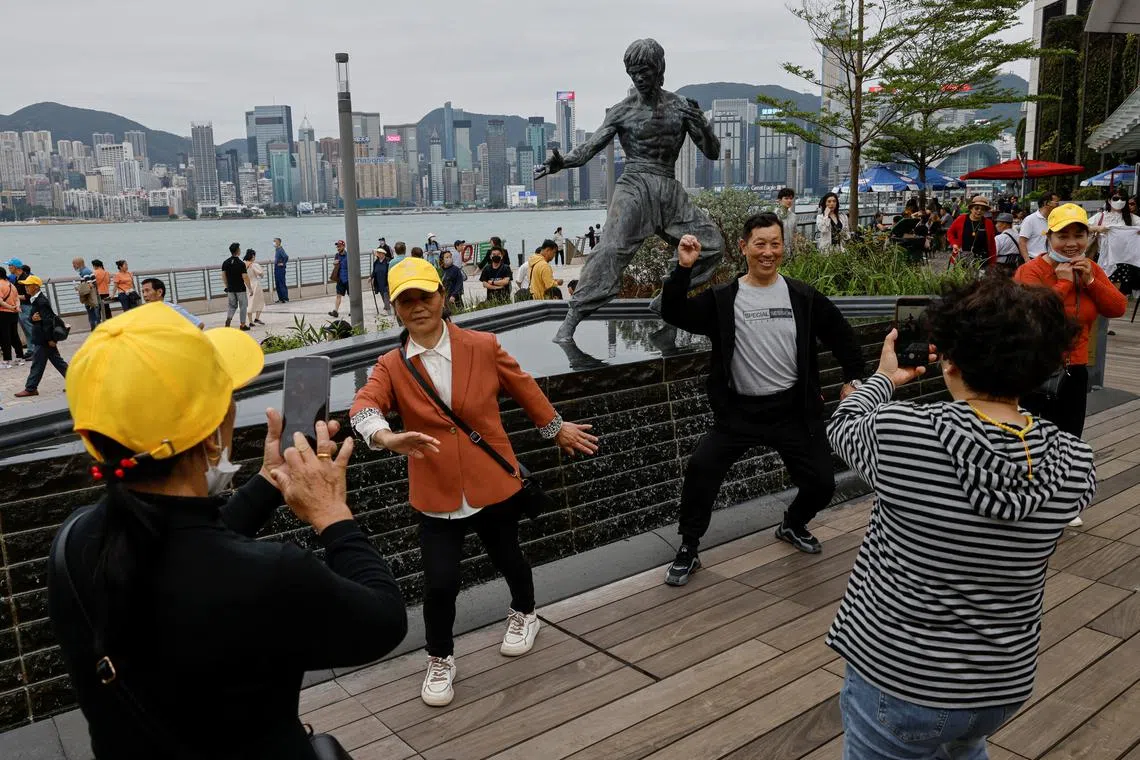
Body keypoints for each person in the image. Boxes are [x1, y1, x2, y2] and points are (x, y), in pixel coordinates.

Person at [46, 303, 408, 758]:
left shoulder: (73, 542)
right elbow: (384, 621)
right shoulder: (271, 576)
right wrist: (332, 514)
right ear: (216, 429)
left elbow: (183, 546)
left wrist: (267, 481)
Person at [826, 277, 1096, 760]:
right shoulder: (1075, 461)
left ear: (948, 359)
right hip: (1000, 683)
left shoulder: (905, 436)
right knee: (964, 747)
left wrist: (887, 378)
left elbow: (844, 424)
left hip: (901, 677)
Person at [349, 258, 597, 707]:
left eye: (425, 296)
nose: (418, 307)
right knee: (440, 583)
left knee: (509, 558)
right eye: (406, 300)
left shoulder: (482, 346)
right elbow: (364, 405)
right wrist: (385, 436)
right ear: (394, 308)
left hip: (492, 482)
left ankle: (525, 613)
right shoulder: (390, 365)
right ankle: (440, 657)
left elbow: (524, 388)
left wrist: (556, 428)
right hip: (436, 493)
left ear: (443, 297)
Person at [661, 213, 865, 586]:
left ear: (783, 247)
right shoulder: (724, 299)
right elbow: (673, 311)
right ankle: (689, 547)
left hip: (792, 410)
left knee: (822, 484)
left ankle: (793, 523)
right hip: (739, 413)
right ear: (744, 247)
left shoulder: (802, 296)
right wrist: (683, 268)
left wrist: (855, 378)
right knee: (701, 471)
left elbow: (842, 335)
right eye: (760, 244)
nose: (768, 252)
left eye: (775, 244)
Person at [535, 39, 725, 344]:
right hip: (634, 184)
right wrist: (562, 163)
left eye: (645, 71)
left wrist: (703, 124)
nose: (639, 78)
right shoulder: (622, 111)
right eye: (633, 72)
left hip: (668, 187)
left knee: (712, 244)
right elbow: (588, 148)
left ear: (659, 69)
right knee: (609, 249)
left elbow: (712, 153)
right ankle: (571, 321)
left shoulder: (681, 107)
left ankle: (666, 302)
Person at [1016, 203, 1127, 442]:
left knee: (1069, 440)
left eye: (1079, 235)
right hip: (1035, 368)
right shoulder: (1031, 271)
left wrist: (1090, 281)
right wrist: (1064, 284)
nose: (1071, 243)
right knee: (1032, 441)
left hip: (1075, 370)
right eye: (1062, 236)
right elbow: (1034, 314)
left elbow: (1117, 308)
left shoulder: (1090, 268)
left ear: (1088, 237)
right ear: (1049, 237)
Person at [14, 275, 68, 397]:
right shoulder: (35, 300)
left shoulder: (41, 301)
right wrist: (32, 319)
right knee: (58, 363)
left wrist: (50, 339)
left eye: (28, 285)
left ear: (36, 286)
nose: (26, 288)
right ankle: (76, 382)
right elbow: (36, 319)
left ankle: (31, 388)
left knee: (38, 364)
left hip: (43, 339)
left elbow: (48, 322)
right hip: (43, 339)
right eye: (26, 285)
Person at [1089, 192, 1140, 284]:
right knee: (1100, 286)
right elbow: (1084, 227)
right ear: (1109, 200)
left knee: (1118, 290)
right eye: (1116, 199)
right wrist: (1098, 228)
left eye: (1122, 199)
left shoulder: (1132, 218)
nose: (1119, 201)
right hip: (1102, 257)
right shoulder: (1101, 216)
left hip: (1122, 259)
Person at [946, 195, 997, 271]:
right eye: (976, 208)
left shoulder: (988, 223)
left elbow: (992, 244)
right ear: (971, 209)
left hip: (982, 260)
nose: (979, 211)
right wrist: (954, 243)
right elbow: (950, 232)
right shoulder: (961, 219)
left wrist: (993, 262)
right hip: (963, 258)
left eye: (982, 209)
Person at [1018, 192, 1061, 263]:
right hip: (1033, 260)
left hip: (1050, 260)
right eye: (1056, 203)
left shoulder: (1055, 220)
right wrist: (1027, 261)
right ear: (1046, 203)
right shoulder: (1030, 219)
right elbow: (1022, 241)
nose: (1058, 206)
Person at [221, 243, 249, 331]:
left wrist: (227, 286)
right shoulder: (241, 263)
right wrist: (250, 288)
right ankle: (242, 325)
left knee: (232, 306)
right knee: (243, 306)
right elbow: (245, 277)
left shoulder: (225, 262)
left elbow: (223, 276)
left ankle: (229, 318)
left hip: (230, 289)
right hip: (240, 289)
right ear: (238, 251)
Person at [0, 271, 25, 368]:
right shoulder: (11, 285)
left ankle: (7, 361)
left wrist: (10, 308)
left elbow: (0, 301)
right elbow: (17, 299)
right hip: (14, 314)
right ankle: (20, 358)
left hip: (3, 314)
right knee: (15, 336)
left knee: (4, 337)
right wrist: (16, 307)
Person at [8, 257, 35, 344]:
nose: (8, 268)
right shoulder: (16, 278)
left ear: (16, 267)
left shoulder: (25, 278)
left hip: (27, 306)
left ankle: (37, 348)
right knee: (26, 330)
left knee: (30, 328)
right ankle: (31, 349)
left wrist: (14, 296)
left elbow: (28, 296)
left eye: (10, 266)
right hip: (21, 306)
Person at [74, 257, 101, 330]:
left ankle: (94, 330)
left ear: (78, 264)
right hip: (94, 296)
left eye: (74, 264)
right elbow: (92, 284)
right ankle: (97, 328)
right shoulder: (87, 271)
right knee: (95, 314)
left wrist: (79, 288)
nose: (73, 266)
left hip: (90, 298)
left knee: (92, 315)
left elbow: (89, 285)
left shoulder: (84, 272)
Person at [994, 213, 1023, 277]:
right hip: (1015, 268)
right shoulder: (1018, 236)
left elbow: (993, 254)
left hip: (1000, 269)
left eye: (998, 223)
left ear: (1005, 224)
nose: (996, 225)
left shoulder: (999, 238)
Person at [244, 249, 266, 326]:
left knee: (249, 302)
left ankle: (250, 321)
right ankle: (257, 318)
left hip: (246, 285)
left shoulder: (243, 264)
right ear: (252, 256)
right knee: (260, 301)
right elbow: (261, 274)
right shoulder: (254, 265)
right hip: (255, 284)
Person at [329, 240, 351, 318]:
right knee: (338, 295)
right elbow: (335, 264)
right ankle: (335, 311)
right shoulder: (337, 255)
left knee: (350, 295)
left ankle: (352, 310)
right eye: (337, 246)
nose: (338, 248)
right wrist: (334, 263)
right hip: (340, 279)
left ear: (343, 246)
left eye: (339, 246)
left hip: (348, 279)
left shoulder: (348, 256)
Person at [775, 187, 798, 253]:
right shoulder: (775, 215)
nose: (789, 201)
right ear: (779, 200)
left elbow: (795, 233)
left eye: (791, 198)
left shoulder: (793, 216)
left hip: (790, 250)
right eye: (786, 198)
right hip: (777, 249)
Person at [371, 246, 392, 315]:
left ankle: (388, 310)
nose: (378, 254)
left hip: (386, 281)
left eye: (380, 253)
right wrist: (371, 277)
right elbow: (374, 271)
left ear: (383, 254)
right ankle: (387, 307)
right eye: (378, 253)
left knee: (386, 295)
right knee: (383, 295)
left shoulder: (388, 261)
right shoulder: (376, 262)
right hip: (379, 282)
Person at [273, 238, 289, 303]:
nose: (274, 243)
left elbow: (286, 257)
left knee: (282, 283)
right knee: (277, 284)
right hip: (276, 268)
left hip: (280, 269)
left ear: (279, 242)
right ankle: (280, 298)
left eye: (275, 241)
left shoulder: (280, 250)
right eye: (273, 241)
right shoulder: (277, 250)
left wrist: (283, 263)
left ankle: (285, 298)